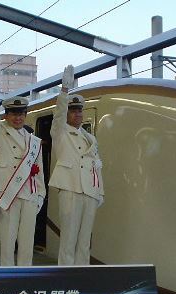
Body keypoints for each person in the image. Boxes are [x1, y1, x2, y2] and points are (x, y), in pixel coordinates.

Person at [0, 63, 46, 266]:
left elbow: (39, 172)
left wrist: (40, 196)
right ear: (6, 116)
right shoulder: (0, 134)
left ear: (25, 115)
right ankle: (6, 277)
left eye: (22, 113)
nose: (18, 117)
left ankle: (24, 277)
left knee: (27, 241)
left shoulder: (33, 141)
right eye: (14, 113)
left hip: (29, 195)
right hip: (8, 193)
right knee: (8, 240)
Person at [50, 65, 104, 265]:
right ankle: (66, 277)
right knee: (69, 239)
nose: (78, 114)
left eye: (80, 110)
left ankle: (82, 275)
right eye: (73, 111)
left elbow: (96, 167)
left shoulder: (90, 138)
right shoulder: (60, 132)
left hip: (90, 192)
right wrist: (64, 90)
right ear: (67, 113)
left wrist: (101, 192)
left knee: (84, 240)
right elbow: (58, 115)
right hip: (70, 189)